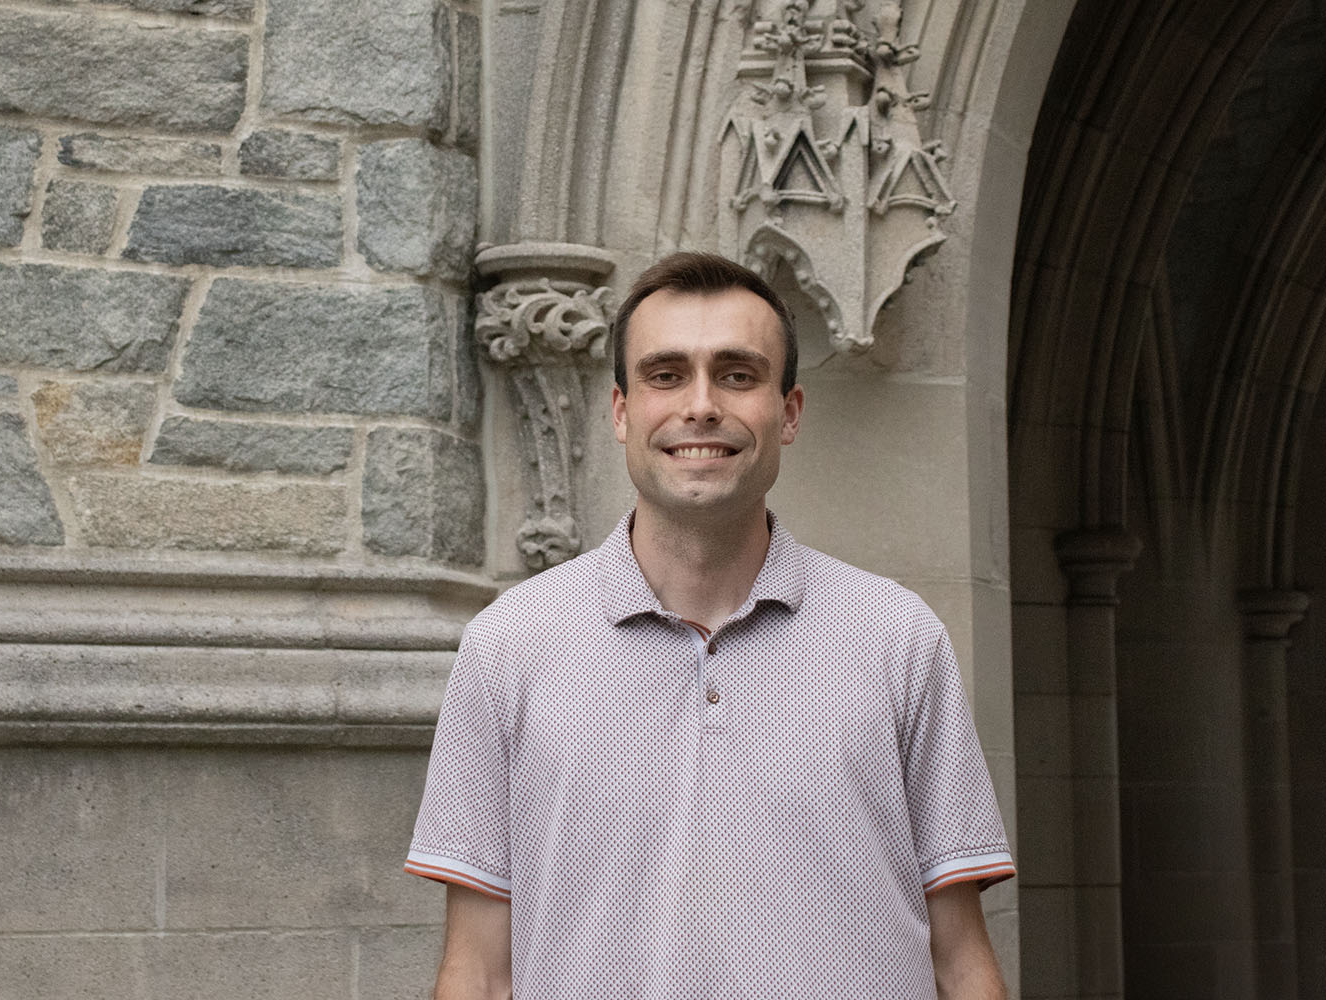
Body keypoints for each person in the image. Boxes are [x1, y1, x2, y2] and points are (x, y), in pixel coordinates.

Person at [405, 252, 1015, 998]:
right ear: (622, 412)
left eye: (736, 374)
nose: (700, 405)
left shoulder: (897, 639)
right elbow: (478, 971)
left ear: (787, 413)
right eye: (666, 375)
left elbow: (960, 961)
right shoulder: (508, 647)